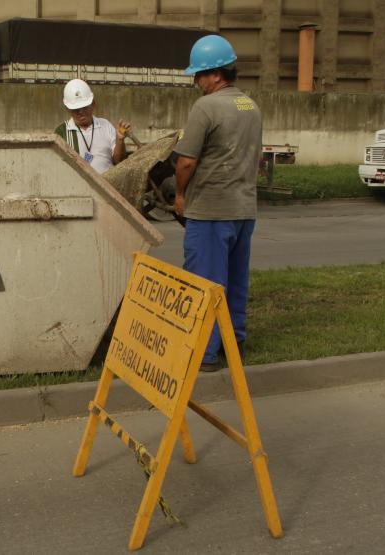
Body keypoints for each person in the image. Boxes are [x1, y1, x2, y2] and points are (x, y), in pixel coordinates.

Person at [172, 35, 262, 372]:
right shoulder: (250, 106)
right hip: (243, 209)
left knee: (205, 283)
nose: (196, 82)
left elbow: (185, 162)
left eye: (198, 75)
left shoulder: (206, 107)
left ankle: (205, 353)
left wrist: (180, 195)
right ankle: (233, 343)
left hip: (210, 210)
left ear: (215, 74)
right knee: (236, 280)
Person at [54, 79, 131, 174]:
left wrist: (119, 140)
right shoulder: (62, 132)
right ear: (68, 109)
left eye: (84, 107)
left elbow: (119, 161)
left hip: (108, 186)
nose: (81, 112)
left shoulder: (105, 126)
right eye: (76, 109)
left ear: (93, 104)